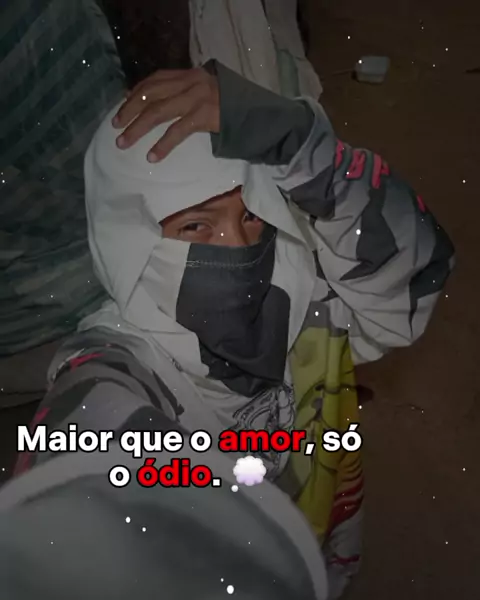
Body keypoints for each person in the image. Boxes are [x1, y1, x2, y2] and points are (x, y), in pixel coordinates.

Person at [1, 61, 454, 599]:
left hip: (311, 533)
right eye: (196, 225)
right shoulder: (113, 372)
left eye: (252, 214)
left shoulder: (302, 293)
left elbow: (414, 275)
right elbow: (78, 489)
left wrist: (306, 148)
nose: (239, 246)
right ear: (130, 238)